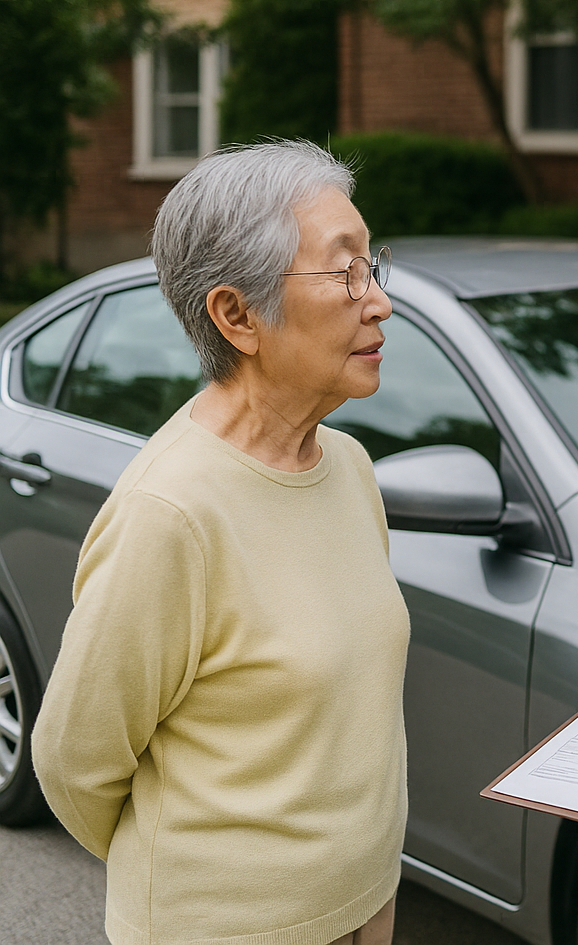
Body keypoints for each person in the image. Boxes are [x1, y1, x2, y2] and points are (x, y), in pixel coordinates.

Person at [32, 141, 409, 945]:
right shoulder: (170, 513)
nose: (377, 301)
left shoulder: (348, 466)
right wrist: (202, 885)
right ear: (237, 315)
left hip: (367, 903)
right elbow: (74, 761)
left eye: (371, 264)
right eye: (344, 273)